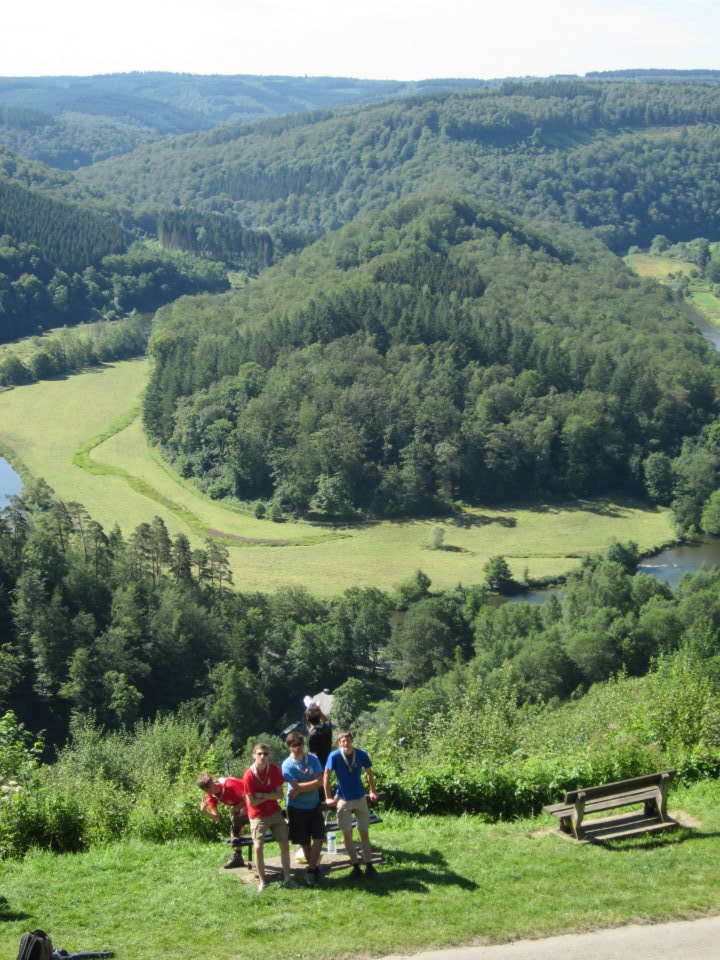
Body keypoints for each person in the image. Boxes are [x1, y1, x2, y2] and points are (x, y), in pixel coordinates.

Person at [323, 730, 379, 878]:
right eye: (342, 741)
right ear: (339, 743)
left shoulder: (361, 754)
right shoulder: (334, 756)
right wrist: (328, 797)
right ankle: (355, 866)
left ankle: (369, 865)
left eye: (347, 740)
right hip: (343, 798)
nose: (345, 743)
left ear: (352, 740)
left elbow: (369, 773)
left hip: (360, 797)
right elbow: (326, 775)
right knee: (347, 834)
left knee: (364, 833)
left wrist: (373, 791)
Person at [241, 743, 296, 891]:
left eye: (265, 754)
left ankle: (288, 879)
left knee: (285, 844)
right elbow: (251, 802)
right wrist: (269, 796)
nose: (262, 756)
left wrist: (262, 795)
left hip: (275, 812)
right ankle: (262, 882)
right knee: (258, 847)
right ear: (254, 755)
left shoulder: (274, 770)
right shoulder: (248, 775)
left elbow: (279, 795)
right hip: (257, 815)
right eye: (259, 753)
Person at [281, 732, 326, 886]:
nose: (297, 748)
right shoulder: (287, 765)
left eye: (299, 744)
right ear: (289, 747)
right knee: (304, 842)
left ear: (303, 745)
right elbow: (295, 787)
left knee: (320, 837)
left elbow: (319, 782)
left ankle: (311, 870)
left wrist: (301, 788)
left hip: (314, 805)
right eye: (293, 745)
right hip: (296, 808)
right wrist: (304, 786)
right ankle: (313, 871)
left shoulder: (313, 759)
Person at [196, 773, 249, 869]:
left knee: (238, 815)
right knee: (235, 824)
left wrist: (236, 808)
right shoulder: (210, 796)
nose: (209, 791)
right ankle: (238, 857)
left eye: (209, 787)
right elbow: (216, 818)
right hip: (242, 805)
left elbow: (248, 796)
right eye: (205, 790)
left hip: (255, 798)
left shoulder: (229, 785)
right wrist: (204, 811)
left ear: (213, 782)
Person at [305, 703, 333, 768]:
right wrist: (318, 710)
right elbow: (325, 720)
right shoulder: (327, 727)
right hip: (329, 763)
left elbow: (313, 756)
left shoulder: (312, 735)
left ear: (307, 718)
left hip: (319, 767)